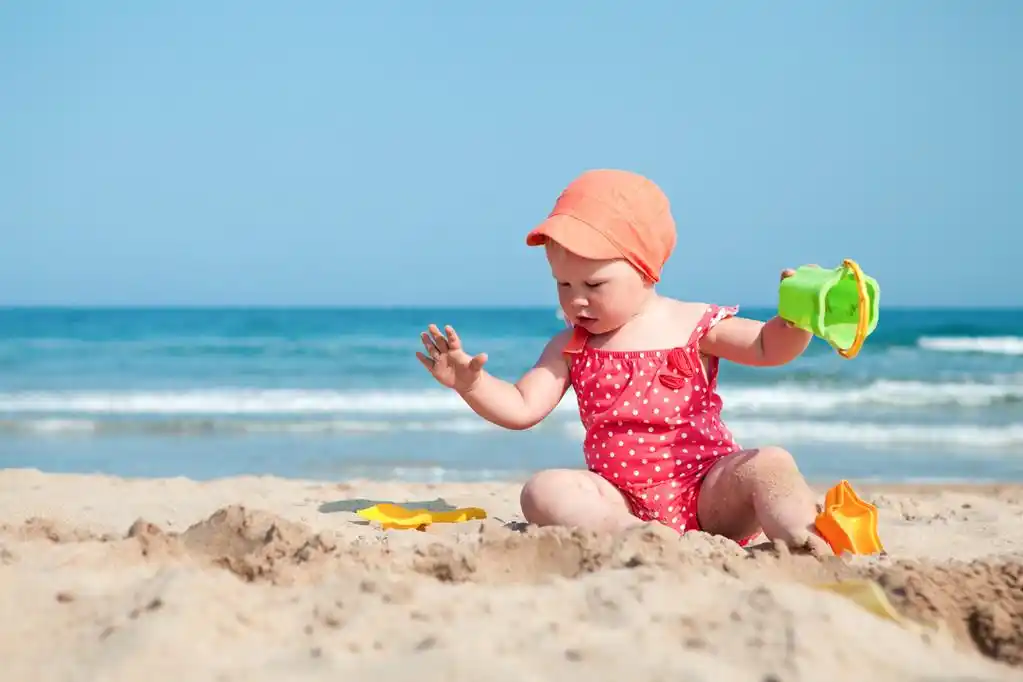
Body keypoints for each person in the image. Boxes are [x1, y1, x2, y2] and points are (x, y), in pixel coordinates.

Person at [416, 169, 831, 555]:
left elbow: (767, 347)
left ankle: (801, 536)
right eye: (564, 284)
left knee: (769, 463)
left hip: (708, 490)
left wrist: (796, 319)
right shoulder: (570, 346)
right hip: (619, 500)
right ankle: (635, 536)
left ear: (645, 271)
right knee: (542, 490)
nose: (576, 300)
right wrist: (472, 384)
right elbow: (522, 407)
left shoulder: (692, 323)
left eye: (594, 284)